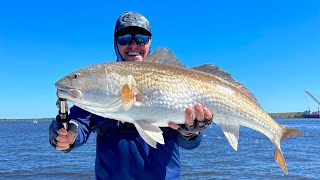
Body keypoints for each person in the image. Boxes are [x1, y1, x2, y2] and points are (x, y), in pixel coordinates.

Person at [49, 11, 213, 180]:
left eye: (141, 38)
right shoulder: (97, 94)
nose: (133, 45)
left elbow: (189, 144)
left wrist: (190, 133)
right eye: (124, 38)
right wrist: (66, 136)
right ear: (115, 43)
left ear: (150, 42)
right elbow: (78, 125)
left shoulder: (175, 81)